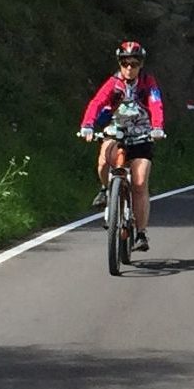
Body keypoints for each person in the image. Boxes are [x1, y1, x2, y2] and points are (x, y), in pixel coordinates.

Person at [78, 41, 166, 251]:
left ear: (140, 65)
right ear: (120, 63)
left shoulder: (148, 83)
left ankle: (141, 234)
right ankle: (105, 188)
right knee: (103, 160)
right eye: (125, 63)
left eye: (134, 64)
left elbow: (156, 104)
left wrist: (157, 127)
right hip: (116, 131)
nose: (129, 68)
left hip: (142, 135)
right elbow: (96, 102)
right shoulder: (113, 83)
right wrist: (87, 125)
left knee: (139, 182)